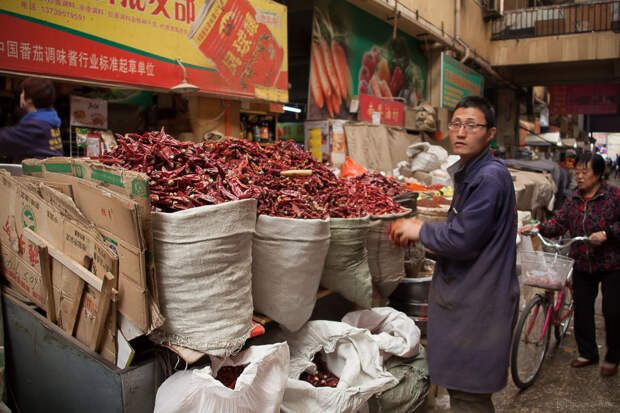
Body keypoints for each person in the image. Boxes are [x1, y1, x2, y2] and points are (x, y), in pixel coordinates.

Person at [389, 96, 518, 413]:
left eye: (471, 125)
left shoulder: (488, 178)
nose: (461, 132)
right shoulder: (471, 171)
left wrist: (420, 229)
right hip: (470, 297)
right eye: (457, 124)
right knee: (464, 391)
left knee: (468, 395)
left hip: (479, 303)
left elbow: (463, 239)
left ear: (489, 133)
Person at [520, 152, 619, 377]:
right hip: (583, 262)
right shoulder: (574, 198)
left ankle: (613, 355)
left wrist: (608, 233)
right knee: (583, 309)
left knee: (612, 311)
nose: (580, 176)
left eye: (585, 172)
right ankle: (588, 353)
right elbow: (559, 222)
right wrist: (539, 228)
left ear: (600, 173)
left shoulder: (613, 196)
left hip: (611, 263)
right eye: (578, 172)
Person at [0, 77, 63, 163]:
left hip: (40, 175)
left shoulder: (36, 126)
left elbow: (4, 140)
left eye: (22, 92)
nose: (20, 95)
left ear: (29, 99)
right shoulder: (49, 121)